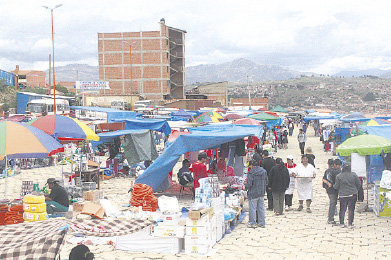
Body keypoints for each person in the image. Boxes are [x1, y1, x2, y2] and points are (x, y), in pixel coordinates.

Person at [334, 163, 361, 228]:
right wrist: (355, 189)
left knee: (342, 209)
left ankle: (342, 223)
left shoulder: (339, 176)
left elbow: (336, 186)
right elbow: (359, 184)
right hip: (352, 194)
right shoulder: (354, 175)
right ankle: (350, 224)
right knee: (351, 209)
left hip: (342, 195)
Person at [245, 159, 268, 228]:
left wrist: (245, 187)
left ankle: (252, 223)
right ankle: (262, 223)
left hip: (253, 193)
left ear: (252, 166)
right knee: (261, 208)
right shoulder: (264, 171)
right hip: (261, 192)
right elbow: (266, 182)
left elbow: (249, 183)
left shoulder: (251, 173)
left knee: (252, 208)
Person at [322, 159, 341, 224]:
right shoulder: (337, 172)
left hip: (329, 189)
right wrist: (329, 183)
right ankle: (330, 218)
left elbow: (323, 179)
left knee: (333, 203)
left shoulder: (327, 171)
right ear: (334, 165)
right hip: (333, 190)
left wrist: (327, 183)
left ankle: (331, 217)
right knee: (333, 203)